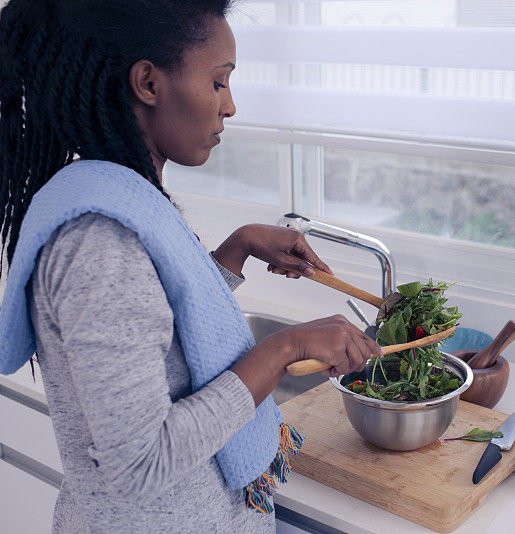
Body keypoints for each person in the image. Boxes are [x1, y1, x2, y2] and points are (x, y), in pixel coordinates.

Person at [0, 1, 381, 532]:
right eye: (220, 81)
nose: (230, 106)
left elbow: (162, 334)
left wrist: (237, 248)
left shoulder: (121, 196)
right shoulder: (99, 243)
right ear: (148, 83)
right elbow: (141, 463)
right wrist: (284, 348)